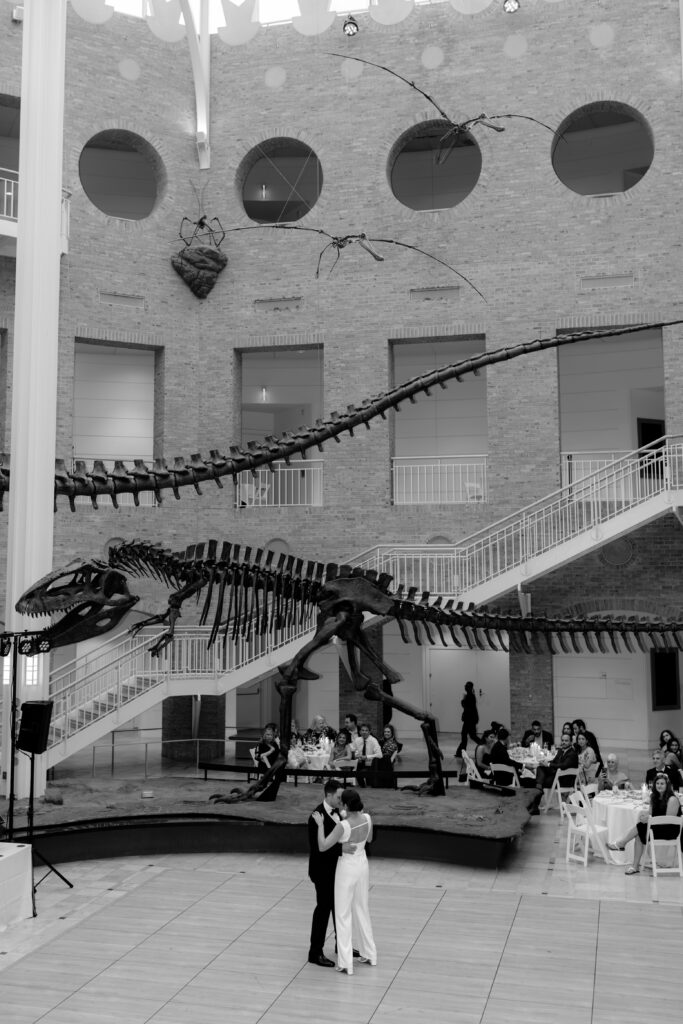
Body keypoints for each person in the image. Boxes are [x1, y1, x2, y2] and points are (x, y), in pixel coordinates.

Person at [313, 787, 377, 974]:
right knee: (362, 908)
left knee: (342, 915)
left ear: (346, 805)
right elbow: (370, 839)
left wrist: (320, 825)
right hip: (362, 865)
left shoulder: (344, 825)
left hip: (347, 869)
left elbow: (323, 846)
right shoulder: (367, 818)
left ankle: (345, 963)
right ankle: (370, 954)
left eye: (341, 802)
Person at [608, 772, 682, 875]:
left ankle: (622, 844)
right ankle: (634, 866)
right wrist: (645, 816)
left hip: (670, 830)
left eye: (662, 783)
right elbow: (651, 813)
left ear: (667, 785)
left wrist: (649, 820)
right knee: (639, 831)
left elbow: (668, 821)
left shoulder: (672, 799)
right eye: (657, 783)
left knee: (640, 827)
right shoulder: (654, 797)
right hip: (657, 827)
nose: (659, 786)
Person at [307, 778, 343, 968]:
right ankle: (315, 952)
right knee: (323, 909)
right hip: (322, 872)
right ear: (328, 795)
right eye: (338, 796)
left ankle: (342, 945)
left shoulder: (339, 812)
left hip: (337, 871)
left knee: (339, 907)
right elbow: (319, 848)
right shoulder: (316, 816)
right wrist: (343, 849)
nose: (341, 799)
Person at [530, 733, 579, 812]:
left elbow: (563, 765)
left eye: (566, 741)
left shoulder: (572, 754)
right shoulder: (561, 750)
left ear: (570, 742)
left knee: (538, 781)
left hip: (565, 780)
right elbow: (554, 761)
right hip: (557, 776)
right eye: (562, 740)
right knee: (540, 768)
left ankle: (535, 803)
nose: (563, 742)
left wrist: (549, 764)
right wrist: (546, 762)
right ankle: (537, 797)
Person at [352, 723, 382, 788]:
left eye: (366, 730)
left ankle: (366, 786)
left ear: (369, 732)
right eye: (362, 730)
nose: (364, 732)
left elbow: (380, 755)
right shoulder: (357, 740)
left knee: (363, 774)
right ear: (360, 732)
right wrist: (356, 756)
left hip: (370, 764)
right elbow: (352, 751)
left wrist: (366, 757)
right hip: (359, 763)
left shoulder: (373, 740)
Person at [455, 681, 480, 757]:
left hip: (470, 719)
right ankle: (460, 752)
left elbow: (467, 708)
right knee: (468, 735)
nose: (465, 687)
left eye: (467, 686)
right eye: (465, 685)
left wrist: (462, 702)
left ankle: (484, 746)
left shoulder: (470, 696)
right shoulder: (470, 695)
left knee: (468, 735)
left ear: (470, 687)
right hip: (470, 719)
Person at [374, 724, 400, 788]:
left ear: (392, 733)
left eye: (388, 732)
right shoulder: (381, 741)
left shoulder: (394, 744)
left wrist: (390, 759)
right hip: (380, 760)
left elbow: (393, 756)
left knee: (386, 758)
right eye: (385, 732)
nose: (386, 733)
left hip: (388, 762)